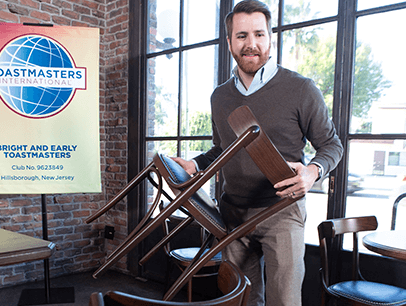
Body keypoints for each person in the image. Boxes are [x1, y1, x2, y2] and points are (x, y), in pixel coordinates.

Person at [173, 1, 343, 305]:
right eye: (241, 36)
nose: (251, 44)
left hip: (283, 212)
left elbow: (332, 145)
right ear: (229, 43)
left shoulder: (301, 89)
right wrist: (195, 164)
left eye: (259, 34)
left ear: (270, 38)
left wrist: (312, 171)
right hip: (233, 215)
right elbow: (223, 148)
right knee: (241, 300)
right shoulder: (220, 96)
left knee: (285, 300)